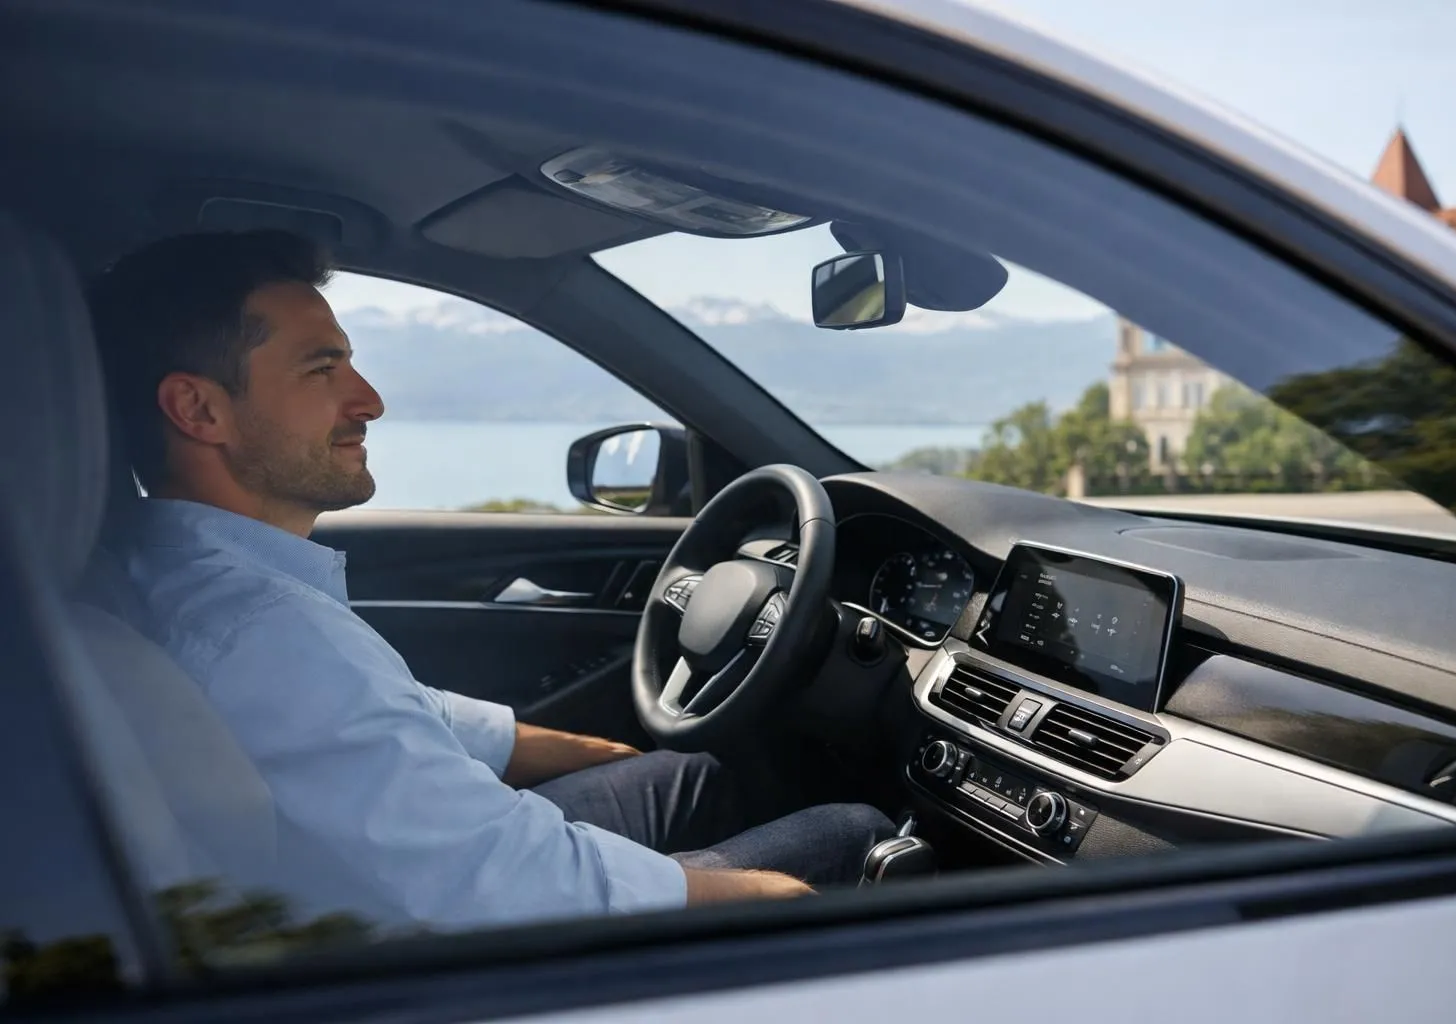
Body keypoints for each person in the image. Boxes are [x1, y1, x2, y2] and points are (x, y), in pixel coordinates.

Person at [85, 229, 894, 932]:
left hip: (361, 885)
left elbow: (394, 720)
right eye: (320, 370)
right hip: (424, 937)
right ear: (198, 410)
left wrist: (599, 752)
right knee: (849, 834)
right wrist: (773, 895)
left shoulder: (150, 566)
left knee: (690, 773)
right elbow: (500, 882)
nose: (369, 401)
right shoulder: (261, 630)